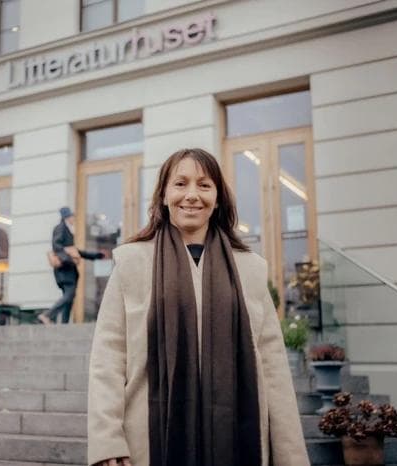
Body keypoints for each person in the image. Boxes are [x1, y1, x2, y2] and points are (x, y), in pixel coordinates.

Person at [87, 149, 309, 466]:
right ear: (164, 195)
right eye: (180, 184)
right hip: (148, 443)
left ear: (217, 200)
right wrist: (107, 441)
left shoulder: (250, 269)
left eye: (204, 185)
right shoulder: (132, 262)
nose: (192, 195)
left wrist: (291, 457)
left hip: (238, 441)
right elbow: (107, 358)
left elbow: (274, 369)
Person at [39, 207, 104, 324]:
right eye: (72, 216)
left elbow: (75, 251)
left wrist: (95, 256)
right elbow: (57, 247)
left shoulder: (67, 230)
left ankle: (64, 323)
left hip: (67, 271)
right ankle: (47, 315)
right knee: (69, 295)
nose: (73, 218)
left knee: (69, 298)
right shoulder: (61, 228)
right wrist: (70, 259)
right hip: (65, 271)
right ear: (67, 217)